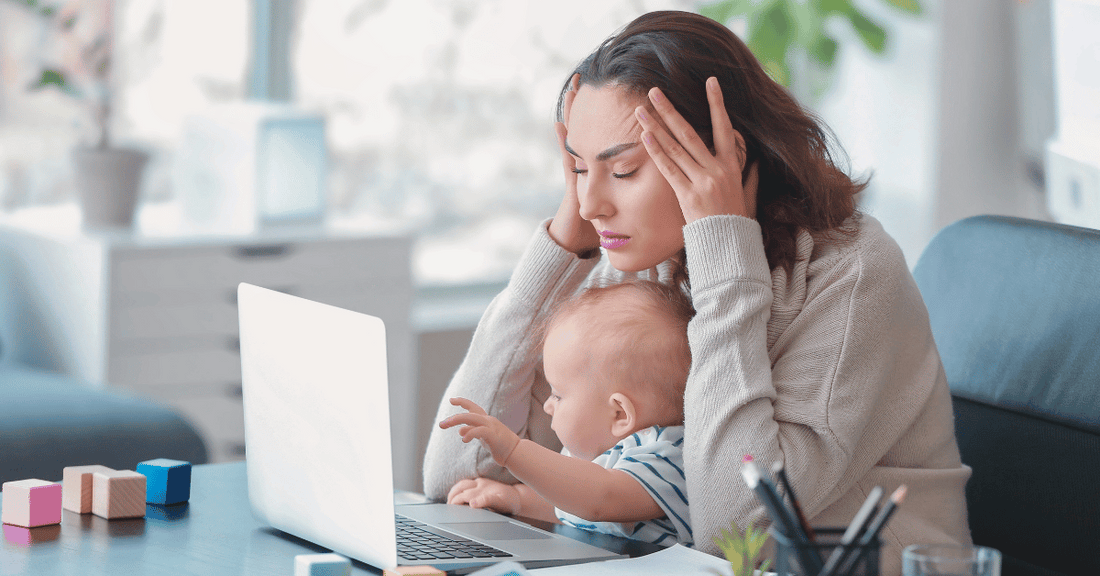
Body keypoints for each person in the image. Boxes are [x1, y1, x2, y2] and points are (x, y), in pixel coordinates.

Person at [422, 10, 971, 575]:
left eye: (625, 170)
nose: (591, 204)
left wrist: (724, 259)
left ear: (724, 158)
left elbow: (737, 534)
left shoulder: (852, 277)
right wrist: (562, 247)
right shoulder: (647, 259)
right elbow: (456, 478)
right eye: (579, 169)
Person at [440, 280, 695, 547]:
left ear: (619, 414)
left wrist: (514, 451)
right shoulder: (593, 463)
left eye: (558, 395)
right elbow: (570, 506)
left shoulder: (667, 454)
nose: (548, 406)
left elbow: (600, 500)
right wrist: (515, 498)